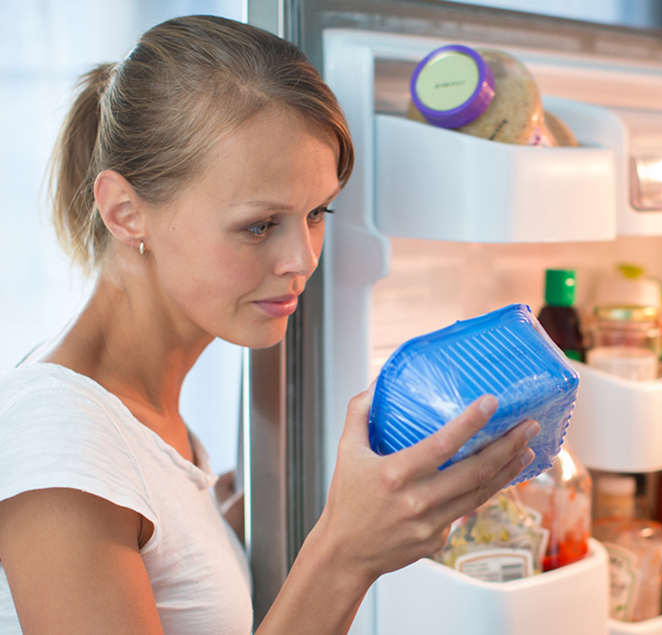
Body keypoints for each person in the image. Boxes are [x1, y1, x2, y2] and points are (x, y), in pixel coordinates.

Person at [0, 15, 539, 635]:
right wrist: (345, 554)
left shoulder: (142, 418)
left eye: (316, 212)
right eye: (259, 225)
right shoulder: (59, 433)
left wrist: (211, 536)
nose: (303, 260)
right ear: (125, 213)